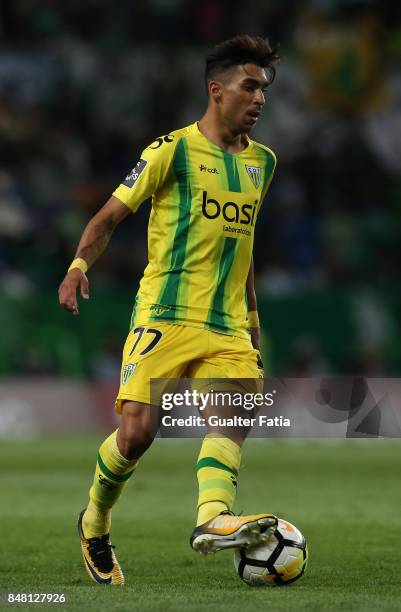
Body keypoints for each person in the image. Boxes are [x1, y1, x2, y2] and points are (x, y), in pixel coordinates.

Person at [58, 34, 280, 585]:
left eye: (265, 89)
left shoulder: (263, 163)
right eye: (249, 86)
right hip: (164, 314)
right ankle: (94, 521)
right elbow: (108, 217)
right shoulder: (171, 150)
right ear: (217, 89)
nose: (260, 98)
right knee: (136, 435)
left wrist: (253, 322)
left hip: (227, 323)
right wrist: (78, 267)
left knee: (235, 415)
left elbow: (244, 249)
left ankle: (213, 517)